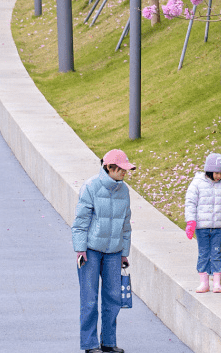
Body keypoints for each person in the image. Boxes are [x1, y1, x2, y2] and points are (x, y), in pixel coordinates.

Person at [72, 149, 135, 353]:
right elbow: (80, 222)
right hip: (90, 252)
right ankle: (90, 344)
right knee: (89, 299)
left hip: (114, 253)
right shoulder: (90, 187)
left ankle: (108, 342)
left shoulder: (124, 191)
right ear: (109, 167)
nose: (124, 173)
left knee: (113, 299)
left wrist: (124, 252)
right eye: (121, 169)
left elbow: (126, 225)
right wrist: (80, 250)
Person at [185, 152, 221, 294]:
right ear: (209, 170)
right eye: (217, 173)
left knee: (216, 253)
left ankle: (217, 283)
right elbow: (190, 203)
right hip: (202, 227)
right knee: (203, 253)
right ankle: (204, 282)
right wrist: (191, 221)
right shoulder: (197, 183)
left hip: (218, 227)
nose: (219, 176)